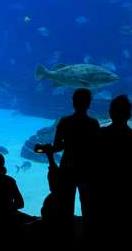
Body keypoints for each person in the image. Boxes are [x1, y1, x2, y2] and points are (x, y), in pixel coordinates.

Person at [96, 95, 132, 242]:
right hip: (131, 202)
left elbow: (90, 167)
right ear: (129, 114)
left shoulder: (99, 137)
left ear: (110, 113)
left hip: (104, 200)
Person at [51, 88, 100, 223]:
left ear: (73, 102)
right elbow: (97, 149)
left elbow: (57, 147)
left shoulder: (65, 121)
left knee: (65, 206)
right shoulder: (93, 124)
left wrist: (46, 149)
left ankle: (66, 237)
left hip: (68, 166)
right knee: (88, 206)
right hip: (87, 169)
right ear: (89, 103)